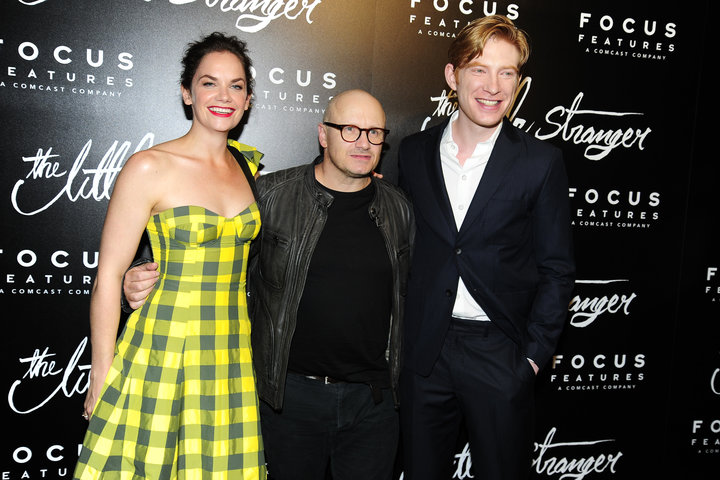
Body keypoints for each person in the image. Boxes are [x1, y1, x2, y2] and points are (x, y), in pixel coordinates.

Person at [123, 89, 414, 480]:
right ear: (323, 135)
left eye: (374, 132)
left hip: (373, 407)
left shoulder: (399, 208)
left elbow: (413, 294)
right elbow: (211, 257)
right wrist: (140, 273)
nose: (363, 142)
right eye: (349, 129)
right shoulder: (270, 195)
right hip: (288, 400)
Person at [74, 32, 266, 479]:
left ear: (248, 99)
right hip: (163, 345)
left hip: (230, 350)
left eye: (236, 85)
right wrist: (100, 374)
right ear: (186, 92)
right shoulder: (149, 166)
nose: (224, 96)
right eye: (209, 83)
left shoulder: (248, 166)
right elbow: (108, 279)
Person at [397, 15, 575, 480]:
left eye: (507, 72)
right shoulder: (413, 153)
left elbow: (557, 268)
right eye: (479, 69)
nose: (493, 85)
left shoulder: (540, 162)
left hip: (500, 352)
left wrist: (533, 357)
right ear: (452, 76)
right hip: (425, 352)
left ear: (519, 81)